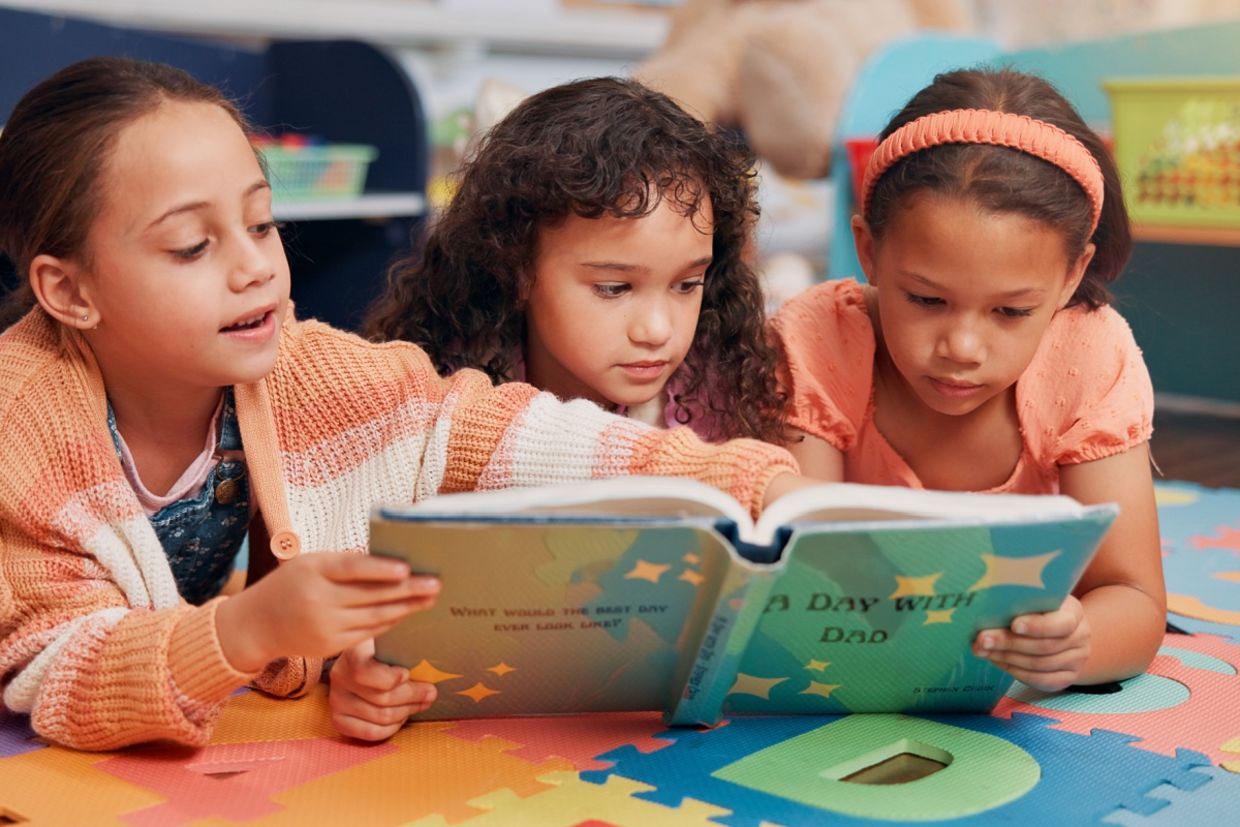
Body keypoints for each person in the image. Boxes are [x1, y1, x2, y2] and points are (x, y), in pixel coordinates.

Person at [0, 58, 805, 751]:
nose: (254, 269)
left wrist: (752, 484)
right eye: (192, 246)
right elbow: (60, 670)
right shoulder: (18, 432)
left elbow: (493, 429)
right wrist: (251, 628)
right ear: (67, 290)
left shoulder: (302, 366)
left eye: (260, 222)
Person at [771, 68, 1165, 691]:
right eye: (926, 300)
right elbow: (796, 575)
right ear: (869, 252)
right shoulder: (820, 339)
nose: (962, 348)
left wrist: (1077, 644)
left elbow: (1134, 599)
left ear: (1071, 276)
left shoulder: (1088, 353)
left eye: (1011, 312)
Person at [364, 77, 786, 444]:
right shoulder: (445, 403)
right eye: (614, 288)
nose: (658, 330)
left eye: (688, 284)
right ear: (515, 267)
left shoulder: (718, 399)